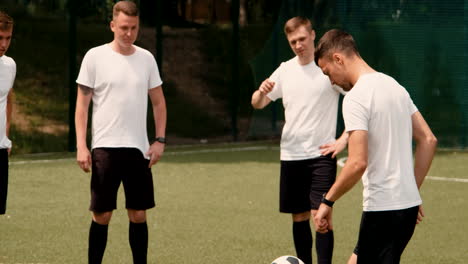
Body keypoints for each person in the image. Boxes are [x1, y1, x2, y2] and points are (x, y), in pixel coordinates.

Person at [313, 29, 437, 263]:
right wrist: (411, 191)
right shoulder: (395, 86)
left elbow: (358, 162)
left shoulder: (355, 97)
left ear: (338, 58)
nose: (330, 81)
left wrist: (327, 201)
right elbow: (428, 140)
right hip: (406, 210)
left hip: (382, 210)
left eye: (327, 72)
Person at [75, 1, 167, 263]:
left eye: (134, 28)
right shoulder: (95, 57)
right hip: (104, 148)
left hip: (139, 149)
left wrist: (159, 140)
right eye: (124, 27)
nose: (129, 33)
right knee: (102, 215)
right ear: (112, 25)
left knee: (139, 214)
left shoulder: (146, 58)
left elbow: (159, 102)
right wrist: (82, 145)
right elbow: (82, 106)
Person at [251, 17, 347, 264]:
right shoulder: (285, 69)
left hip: (322, 156)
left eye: (302, 39)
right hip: (291, 155)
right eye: (293, 41)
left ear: (313, 35)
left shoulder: (327, 67)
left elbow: (359, 98)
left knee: (321, 217)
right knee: (299, 217)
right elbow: (257, 103)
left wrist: (344, 138)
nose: (298, 45)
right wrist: (261, 92)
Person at [0, 11, 15, 216]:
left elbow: (9, 97)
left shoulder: (10, 65)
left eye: (8, 38)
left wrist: (6, 134)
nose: (4, 44)